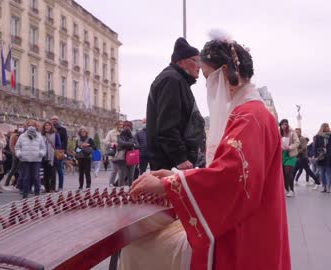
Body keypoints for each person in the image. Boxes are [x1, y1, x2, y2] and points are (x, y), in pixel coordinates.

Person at [125, 37, 291, 270]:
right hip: (251, 221)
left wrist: (169, 184)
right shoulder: (252, 112)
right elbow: (230, 170)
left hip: (242, 235)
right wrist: (175, 174)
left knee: (138, 249)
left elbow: (232, 176)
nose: (207, 87)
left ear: (224, 74)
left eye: (208, 78)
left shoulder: (248, 117)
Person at [146, 37, 205, 171]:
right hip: (171, 164)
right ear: (181, 62)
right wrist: (180, 158)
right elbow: (167, 125)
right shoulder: (172, 80)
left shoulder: (177, 80)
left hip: (172, 161)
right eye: (196, 60)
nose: (199, 66)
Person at [15, 119, 46, 199]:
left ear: (36, 126)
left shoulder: (39, 136)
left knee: (36, 177)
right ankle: (25, 193)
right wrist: (19, 154)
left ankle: (37, 192)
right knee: (26, 177)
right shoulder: (22, 136)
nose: (31, 127)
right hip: (25, 160)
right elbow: (17, 147)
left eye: (33, 125)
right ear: (27, 126)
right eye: (29, 125)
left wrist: (41, 153)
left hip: (36, 160)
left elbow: (43, 148)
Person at [313, 123, 331, 193]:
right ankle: (323, 186)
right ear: (323, 127)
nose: (328, 128)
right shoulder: (318, 136)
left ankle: (328, 187)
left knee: (328, 172)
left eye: (328, 126)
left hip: (329, 156)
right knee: (322, 172)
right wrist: (316, 155)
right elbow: (315, 146)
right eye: (327, 127)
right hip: (321, 156)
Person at [279, 119, 300, 197]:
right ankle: (287, 189)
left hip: (291, 155)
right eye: (282, 125)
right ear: (280, 125)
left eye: (285, 124)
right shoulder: (279, 133)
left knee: (288, 172)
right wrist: (280, 146)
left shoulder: (292, 133)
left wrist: (289, 147)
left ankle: (291, 190)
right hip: (282, 155)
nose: (284, 126)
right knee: (284, 174)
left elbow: (297, 143)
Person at [116, 121, 139, 186]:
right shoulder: (120, 136)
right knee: (121, 175)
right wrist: (132, 144)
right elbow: (121, 144)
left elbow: (137, 145)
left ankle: (131, 189)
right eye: (125, 126)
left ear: (130, 128)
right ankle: (120, 190)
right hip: (122, 158)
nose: (127, 128)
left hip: (131, 157)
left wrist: (130, 144)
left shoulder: (133, 136)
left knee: (131, 176)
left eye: (128, 126)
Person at [41, 121, 61, 193]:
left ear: (51, 126)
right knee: (46, 173)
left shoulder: (56, 135)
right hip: (44, 156)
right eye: (46, 125)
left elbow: (58, 145)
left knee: (53, 173)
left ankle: (52, 188)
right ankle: (47, 188)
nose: (47, 126)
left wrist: (54, 151)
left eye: (48, 125)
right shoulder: (42, 135)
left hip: (53, 156)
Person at [104, 120, 123, 186]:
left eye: (121, 124)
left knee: (121, 170)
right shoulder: (111, 133)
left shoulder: (123, 132)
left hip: (122, 154)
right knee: (115, 170)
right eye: (119, 124)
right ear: (116, 125)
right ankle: (111, 183)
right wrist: (113, 144)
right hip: (113, 154)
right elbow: (106, 142)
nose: (121, 126)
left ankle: (120, 183)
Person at [4, 125, 23, 189]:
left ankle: (16, 183)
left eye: (22, 126)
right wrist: (15, 154)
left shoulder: (23, 135)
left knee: (19, 170)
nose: (21, 128)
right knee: (13, 169)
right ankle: (7, 182)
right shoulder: (14, 135)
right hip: (16, 155)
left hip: (22, 155)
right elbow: (11, 145)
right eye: (20, 126)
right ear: (17, 128)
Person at [51, 116, 67, 191]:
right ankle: (52, 187)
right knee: (51, 170)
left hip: (59, 152)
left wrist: (62, 150)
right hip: (50, 152)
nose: (54, 120)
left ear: (58, 120)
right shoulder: (49, 129)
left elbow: (65, 141)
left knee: (59, 170)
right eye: (53, 119)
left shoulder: (62, 129)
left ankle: (60, 186)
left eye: (56, 119)